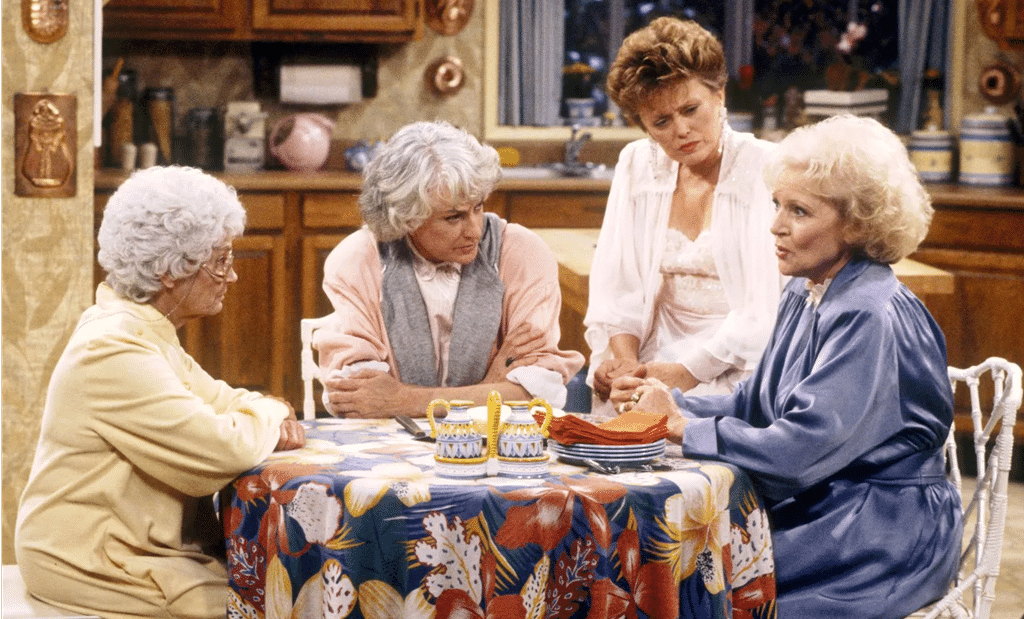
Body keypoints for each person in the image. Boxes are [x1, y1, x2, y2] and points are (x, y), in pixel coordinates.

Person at [623, 115, 963, 617]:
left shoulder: (867, 313)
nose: (776, 225)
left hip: (879, 531)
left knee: (689, 574)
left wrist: (683, 428)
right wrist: (675, 403)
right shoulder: (807, 292)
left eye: (800, 211)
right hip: (829, 507)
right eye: (777, 205)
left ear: (858, 223)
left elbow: (798, 450)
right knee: (665, 559)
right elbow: (757, 401)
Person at [15, 166, 306, 619]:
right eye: (222, 260)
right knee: (280, 601)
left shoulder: (144, 332)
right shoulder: (113, 347)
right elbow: (221, 449)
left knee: (278, 589)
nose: (231, 277)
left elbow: (223, 399)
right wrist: (270, 408)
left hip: (135, 551)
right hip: (93, 562)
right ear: (173, 269)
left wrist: (253, 409)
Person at [314, 121, 584, 417]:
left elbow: (539, 395)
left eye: (478, 207)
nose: (475, 231)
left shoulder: (522, 253)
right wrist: (490, 387)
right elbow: (357, 401)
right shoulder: (359, 259)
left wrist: (403, 400)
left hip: (493, 443)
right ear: (407, 218)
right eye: (453, 217)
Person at [585, 17, 785, 415]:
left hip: (741, 362)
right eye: (661, 121)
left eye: (691, 109)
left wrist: (688, 371)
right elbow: (618, 289)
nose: (681, 130)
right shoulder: (637, 165)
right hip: (653, 354)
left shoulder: (767, 167)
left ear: (719, 94)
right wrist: (625, 364)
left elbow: (766, 309)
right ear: (643, 125)